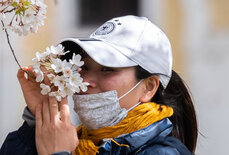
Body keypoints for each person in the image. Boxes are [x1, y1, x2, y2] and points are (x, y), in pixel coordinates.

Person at [0, 15, 198, 155]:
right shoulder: (78, 143)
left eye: (107, 69)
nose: (85, 81)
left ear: (148, 87)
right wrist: (39, 120)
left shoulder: (163, 152)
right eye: (84, 67)